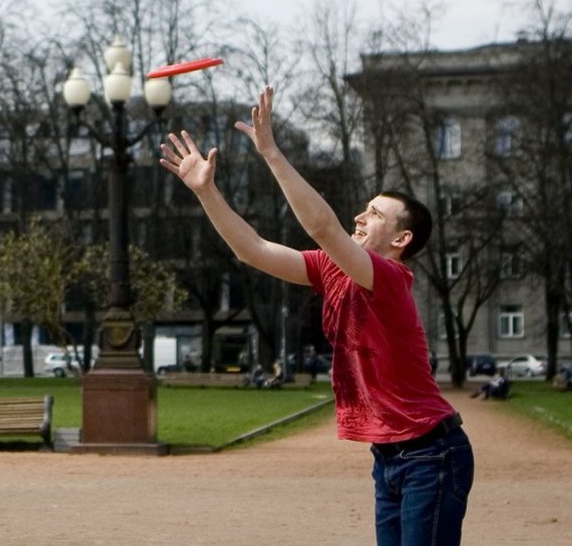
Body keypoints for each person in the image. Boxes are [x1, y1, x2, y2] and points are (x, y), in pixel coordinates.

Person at [159, 85, 474, 546]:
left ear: (401, 238)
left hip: (432, 453)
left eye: (374, 213)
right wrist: (207, 192)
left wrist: (270, 153)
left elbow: (322, 226)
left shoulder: (388, 277)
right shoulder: (333, 269)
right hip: (389, 457)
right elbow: (254, 250)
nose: (360, 217)